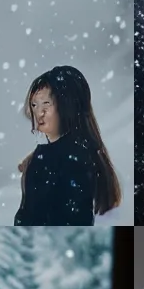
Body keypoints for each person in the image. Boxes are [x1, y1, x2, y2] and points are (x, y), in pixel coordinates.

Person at [15, 64, 124, 224]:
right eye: (34, 105)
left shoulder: (67, 160)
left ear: (68, 106)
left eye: (46, 104)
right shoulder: (81, 154)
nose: (39, 113)